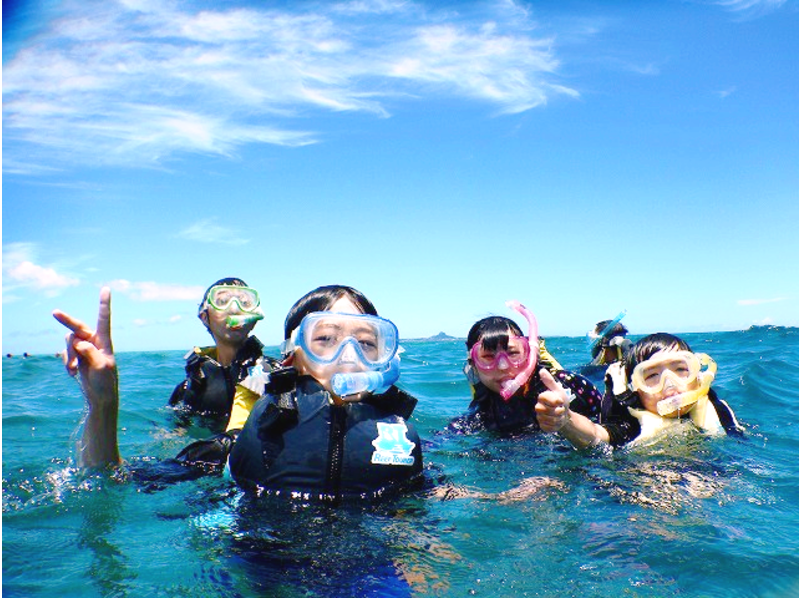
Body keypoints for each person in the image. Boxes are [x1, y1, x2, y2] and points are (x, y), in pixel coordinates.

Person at [54, 285, 424, 504]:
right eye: (325, 339)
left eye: (364, 342)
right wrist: (103, 404)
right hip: (265, 563)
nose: (349, 357)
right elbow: (111, 480)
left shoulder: (395, 434)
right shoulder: (255, 436)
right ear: (292, 354)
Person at [536, 332, 744, 449]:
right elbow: (596, 434)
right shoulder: (631, 425)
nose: (669, 384)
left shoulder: (716, 410)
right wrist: (565, 419)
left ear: (697, 375)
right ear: (635, 389)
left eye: (681, 369)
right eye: (652, 376)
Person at [451, 300, 603, 435]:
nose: (503, 366)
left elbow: (615, 429)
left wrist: (567, 419)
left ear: (529, 354)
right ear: (474, 366)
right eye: (488, 357)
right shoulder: (480, 414)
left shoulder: (572, 385)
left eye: (513, 353)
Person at [168, 278, 276, 426]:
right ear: (205, 317)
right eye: (222, 301)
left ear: (254, 319)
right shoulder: (190, 388)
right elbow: (171, 437)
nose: (234, 309)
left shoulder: (276, 377)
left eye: (245, 303)